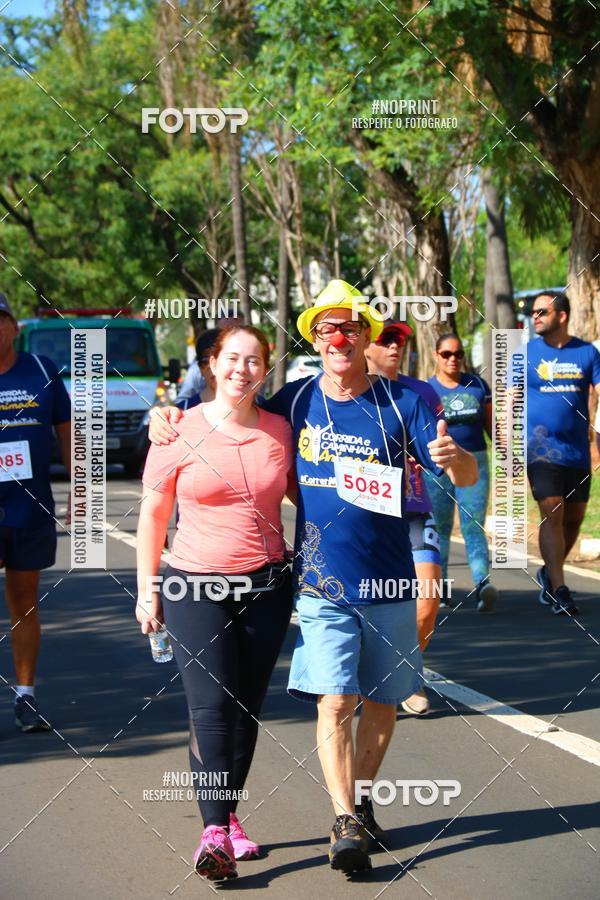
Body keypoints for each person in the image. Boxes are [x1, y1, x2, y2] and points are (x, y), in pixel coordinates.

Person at [149, 279, 477, 874]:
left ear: (366, 336)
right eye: (326, 329)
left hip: (390, 580)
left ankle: (363, 800)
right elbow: (230, 408)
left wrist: (461, 463)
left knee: (385, 701)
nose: (338, 338)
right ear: (316, 340)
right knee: (335, 699)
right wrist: (167, 415)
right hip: (320, 581)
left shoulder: (406, 400)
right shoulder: (295, 402)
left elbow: (464, 469)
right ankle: (343, 818)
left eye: (349, 327)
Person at [136, 325, 295, 881]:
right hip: (194, 583)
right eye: (232, 358)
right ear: (211, 364)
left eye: (254, 361)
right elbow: (154, 514)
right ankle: (212, 835)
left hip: (267, 585)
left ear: (265, 370)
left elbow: (315, 493)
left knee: (247, 706)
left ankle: (227, 816)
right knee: (210, 707)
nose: (242, 369)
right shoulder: (178, 428)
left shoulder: (281, 430)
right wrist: (147, 586)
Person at [0, 293, 71, 732]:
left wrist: (81, 491)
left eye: (0, 319)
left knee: (24, 600)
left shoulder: (42, 370)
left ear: (14, 326)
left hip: (30, 509)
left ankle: (26, 696)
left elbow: (67, 433)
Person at [365, 321, 444, 716]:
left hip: (414, 507)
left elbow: (440, 450)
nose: (395, 346)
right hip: (368, 517)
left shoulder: (422, 392)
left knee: (428, 601)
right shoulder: (349, 392)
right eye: (385, 340)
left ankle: (406, 672)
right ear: (365, 345)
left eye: (400, 340)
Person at [527, 291, 600, 616]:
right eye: (533, 312)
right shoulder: (526, 353)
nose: (535, 316)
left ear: (562, 315)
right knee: (552, 510)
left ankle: (548, 571)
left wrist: (595, 441)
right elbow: (511, 398)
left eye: (542, 311)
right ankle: (559, 588)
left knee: (573, 520)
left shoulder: (587, 353)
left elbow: (596, 397)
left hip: (577, 451)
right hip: (540, 449)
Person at [427, 334, 496, 612]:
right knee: (440, 528)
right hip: (438, 466)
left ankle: (482, 585)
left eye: (457, 354)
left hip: (475, 463)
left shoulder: (478, 385)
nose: (453, 359)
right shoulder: (426, 390)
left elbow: (494, 430)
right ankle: (440, 588)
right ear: (436, 355)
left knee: (472, 525)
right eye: (446, 354)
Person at [174, 328, 219, 410]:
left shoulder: (247, 408)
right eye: (206, 361)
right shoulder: (183, 412)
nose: (211, 366)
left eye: (218, 359)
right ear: (200, 367)